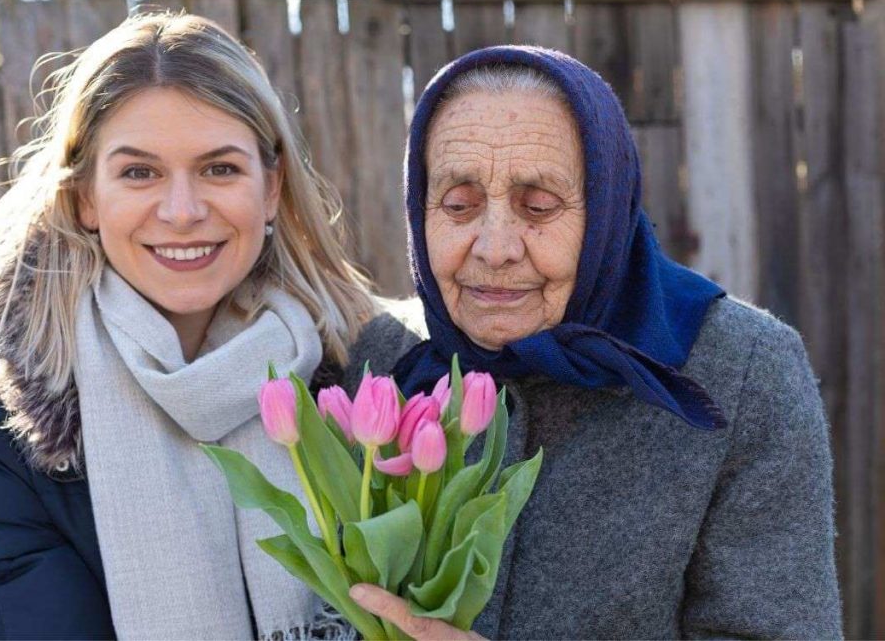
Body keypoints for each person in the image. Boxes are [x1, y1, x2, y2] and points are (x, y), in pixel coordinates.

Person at [0, 11, 398, 639]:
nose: (182, 212)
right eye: (139, 172)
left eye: (220, 168)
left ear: (272, 187)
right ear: (86, 197)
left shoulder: (366, 382)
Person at [345, 46, 842, 639]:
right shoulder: (384, 359)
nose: (495, 247)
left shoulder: (742, 372)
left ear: (608, 208)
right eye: (459, 204)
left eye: (539, 206)